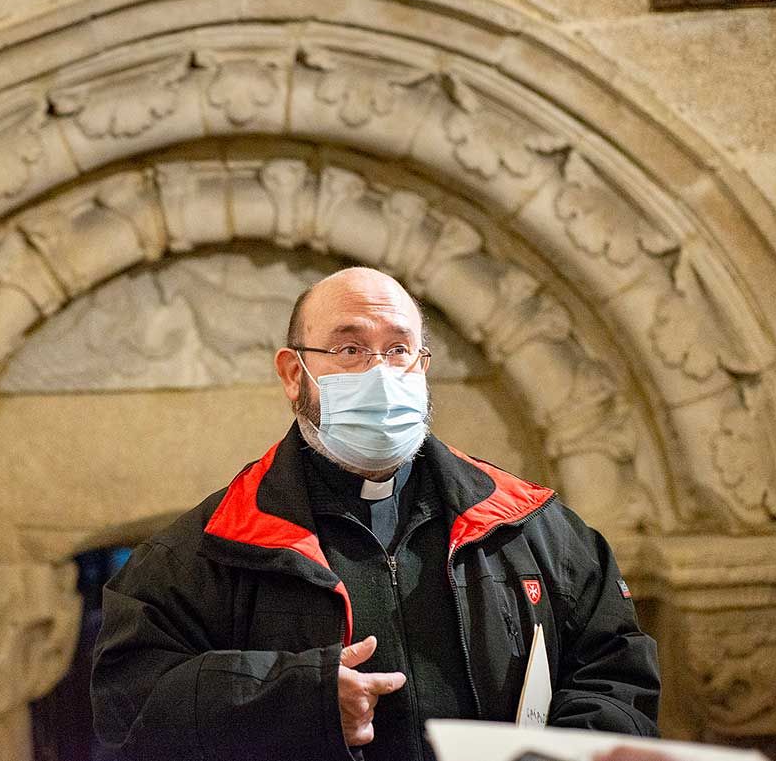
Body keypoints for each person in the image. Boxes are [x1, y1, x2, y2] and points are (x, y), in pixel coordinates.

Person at [90, 267, 660, 761]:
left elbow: (618, 670)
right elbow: (129, 711)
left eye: (398, 350)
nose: (381, 374)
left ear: (423, 365)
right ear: (294, 374)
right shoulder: (205, 548)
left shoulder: (526, 524)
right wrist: (296, 705)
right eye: (350, 350)